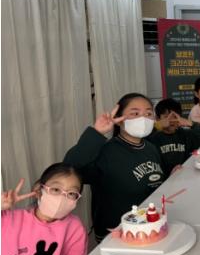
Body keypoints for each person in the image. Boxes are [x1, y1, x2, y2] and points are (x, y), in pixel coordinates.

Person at [64, 93, 165, 243]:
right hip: (117, 232)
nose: (143, 119)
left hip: (149, 226)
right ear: (119, 120)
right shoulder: (105, 151)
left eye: (148, 114)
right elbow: (68, 169)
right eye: (135, 113)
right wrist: (97, 132)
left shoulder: (151, 148)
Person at [148, 98, 200, 175]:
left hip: (185, 175)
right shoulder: (154, 138)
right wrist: (157, 125)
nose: (171, 120)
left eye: (175, 117)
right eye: (166, 117)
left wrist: (190, 123)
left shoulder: (186, 134)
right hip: (163, 179)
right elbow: (141, 140)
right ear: (158, 119)